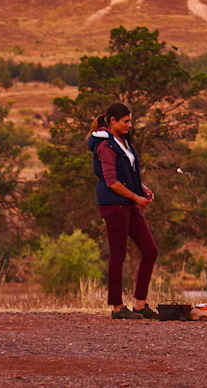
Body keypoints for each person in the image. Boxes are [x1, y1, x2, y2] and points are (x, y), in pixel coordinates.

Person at [88, 102, 159, 319]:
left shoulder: (124, 141)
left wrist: (142, 189)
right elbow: (111, 182)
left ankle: (140, 304)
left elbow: (127, 173)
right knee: (118, 255)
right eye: (126, 121)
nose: (130, 124)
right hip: (113, 204)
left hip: (127, 203)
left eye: (130, 120)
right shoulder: (105, 145)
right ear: (112, 121)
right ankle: (117, 307)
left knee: (150, 250)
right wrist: (136, 198)